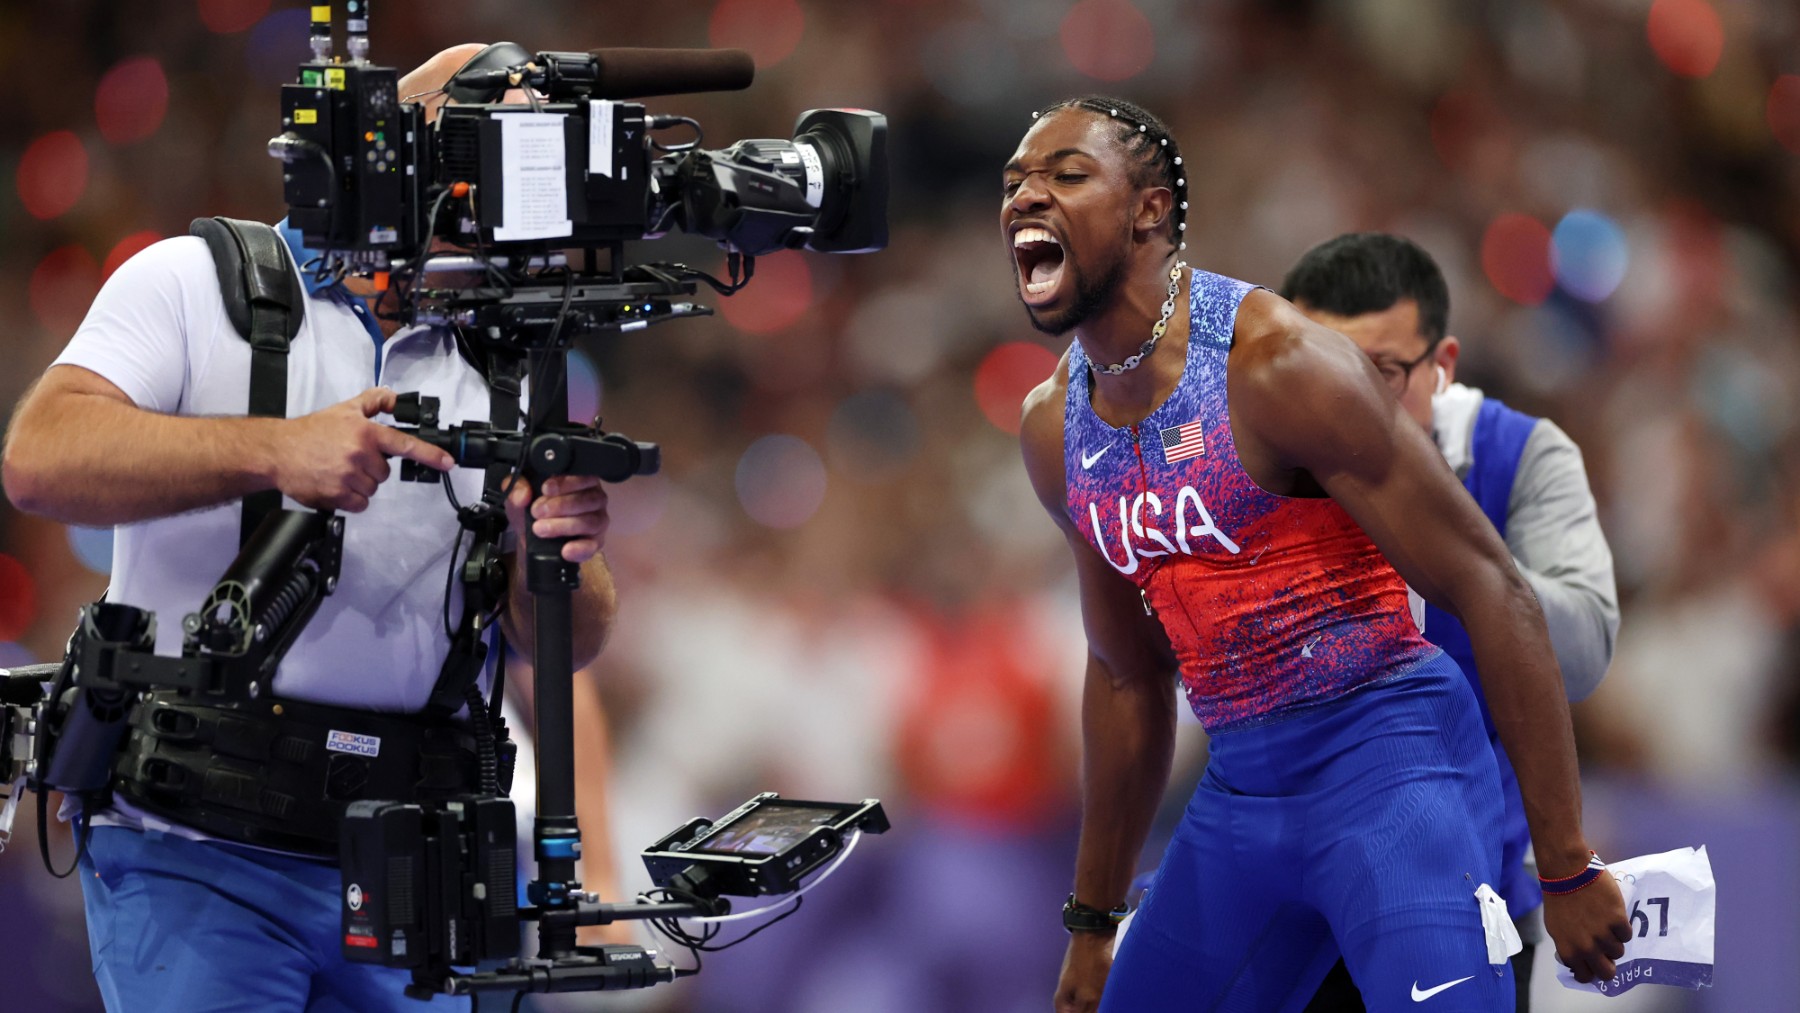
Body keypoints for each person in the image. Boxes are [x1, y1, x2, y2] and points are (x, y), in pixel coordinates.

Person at [1, 45, 618, 1012]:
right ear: (397, 154)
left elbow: (566, 645)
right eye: (487, 154)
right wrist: (274, 451)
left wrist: (559, 550)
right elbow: (39, 458)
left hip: (407, 862)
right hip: (195, 846)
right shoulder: (194, 282)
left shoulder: (502, 358)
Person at [1005, 96, 1630, 1013]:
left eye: (1066, 175)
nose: (1027, 198)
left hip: (1392, 769)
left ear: (1147, 210)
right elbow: (1126, 675)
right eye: (1016, 182)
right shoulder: (1055, 427)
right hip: (1242, 789)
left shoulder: (1276, 364)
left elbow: (1490, 588)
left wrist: (1567, 866)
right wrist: (1093, 920)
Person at [1281, 233, 1620, 1012]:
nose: (1346, 399)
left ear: (1444, 363)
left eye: (1384, 372)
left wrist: (1452, 557)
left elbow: (1585, 653)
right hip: (1292, 901)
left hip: (1472, 892)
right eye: (1317, 367)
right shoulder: (1261, 467)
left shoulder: (1522, 455)